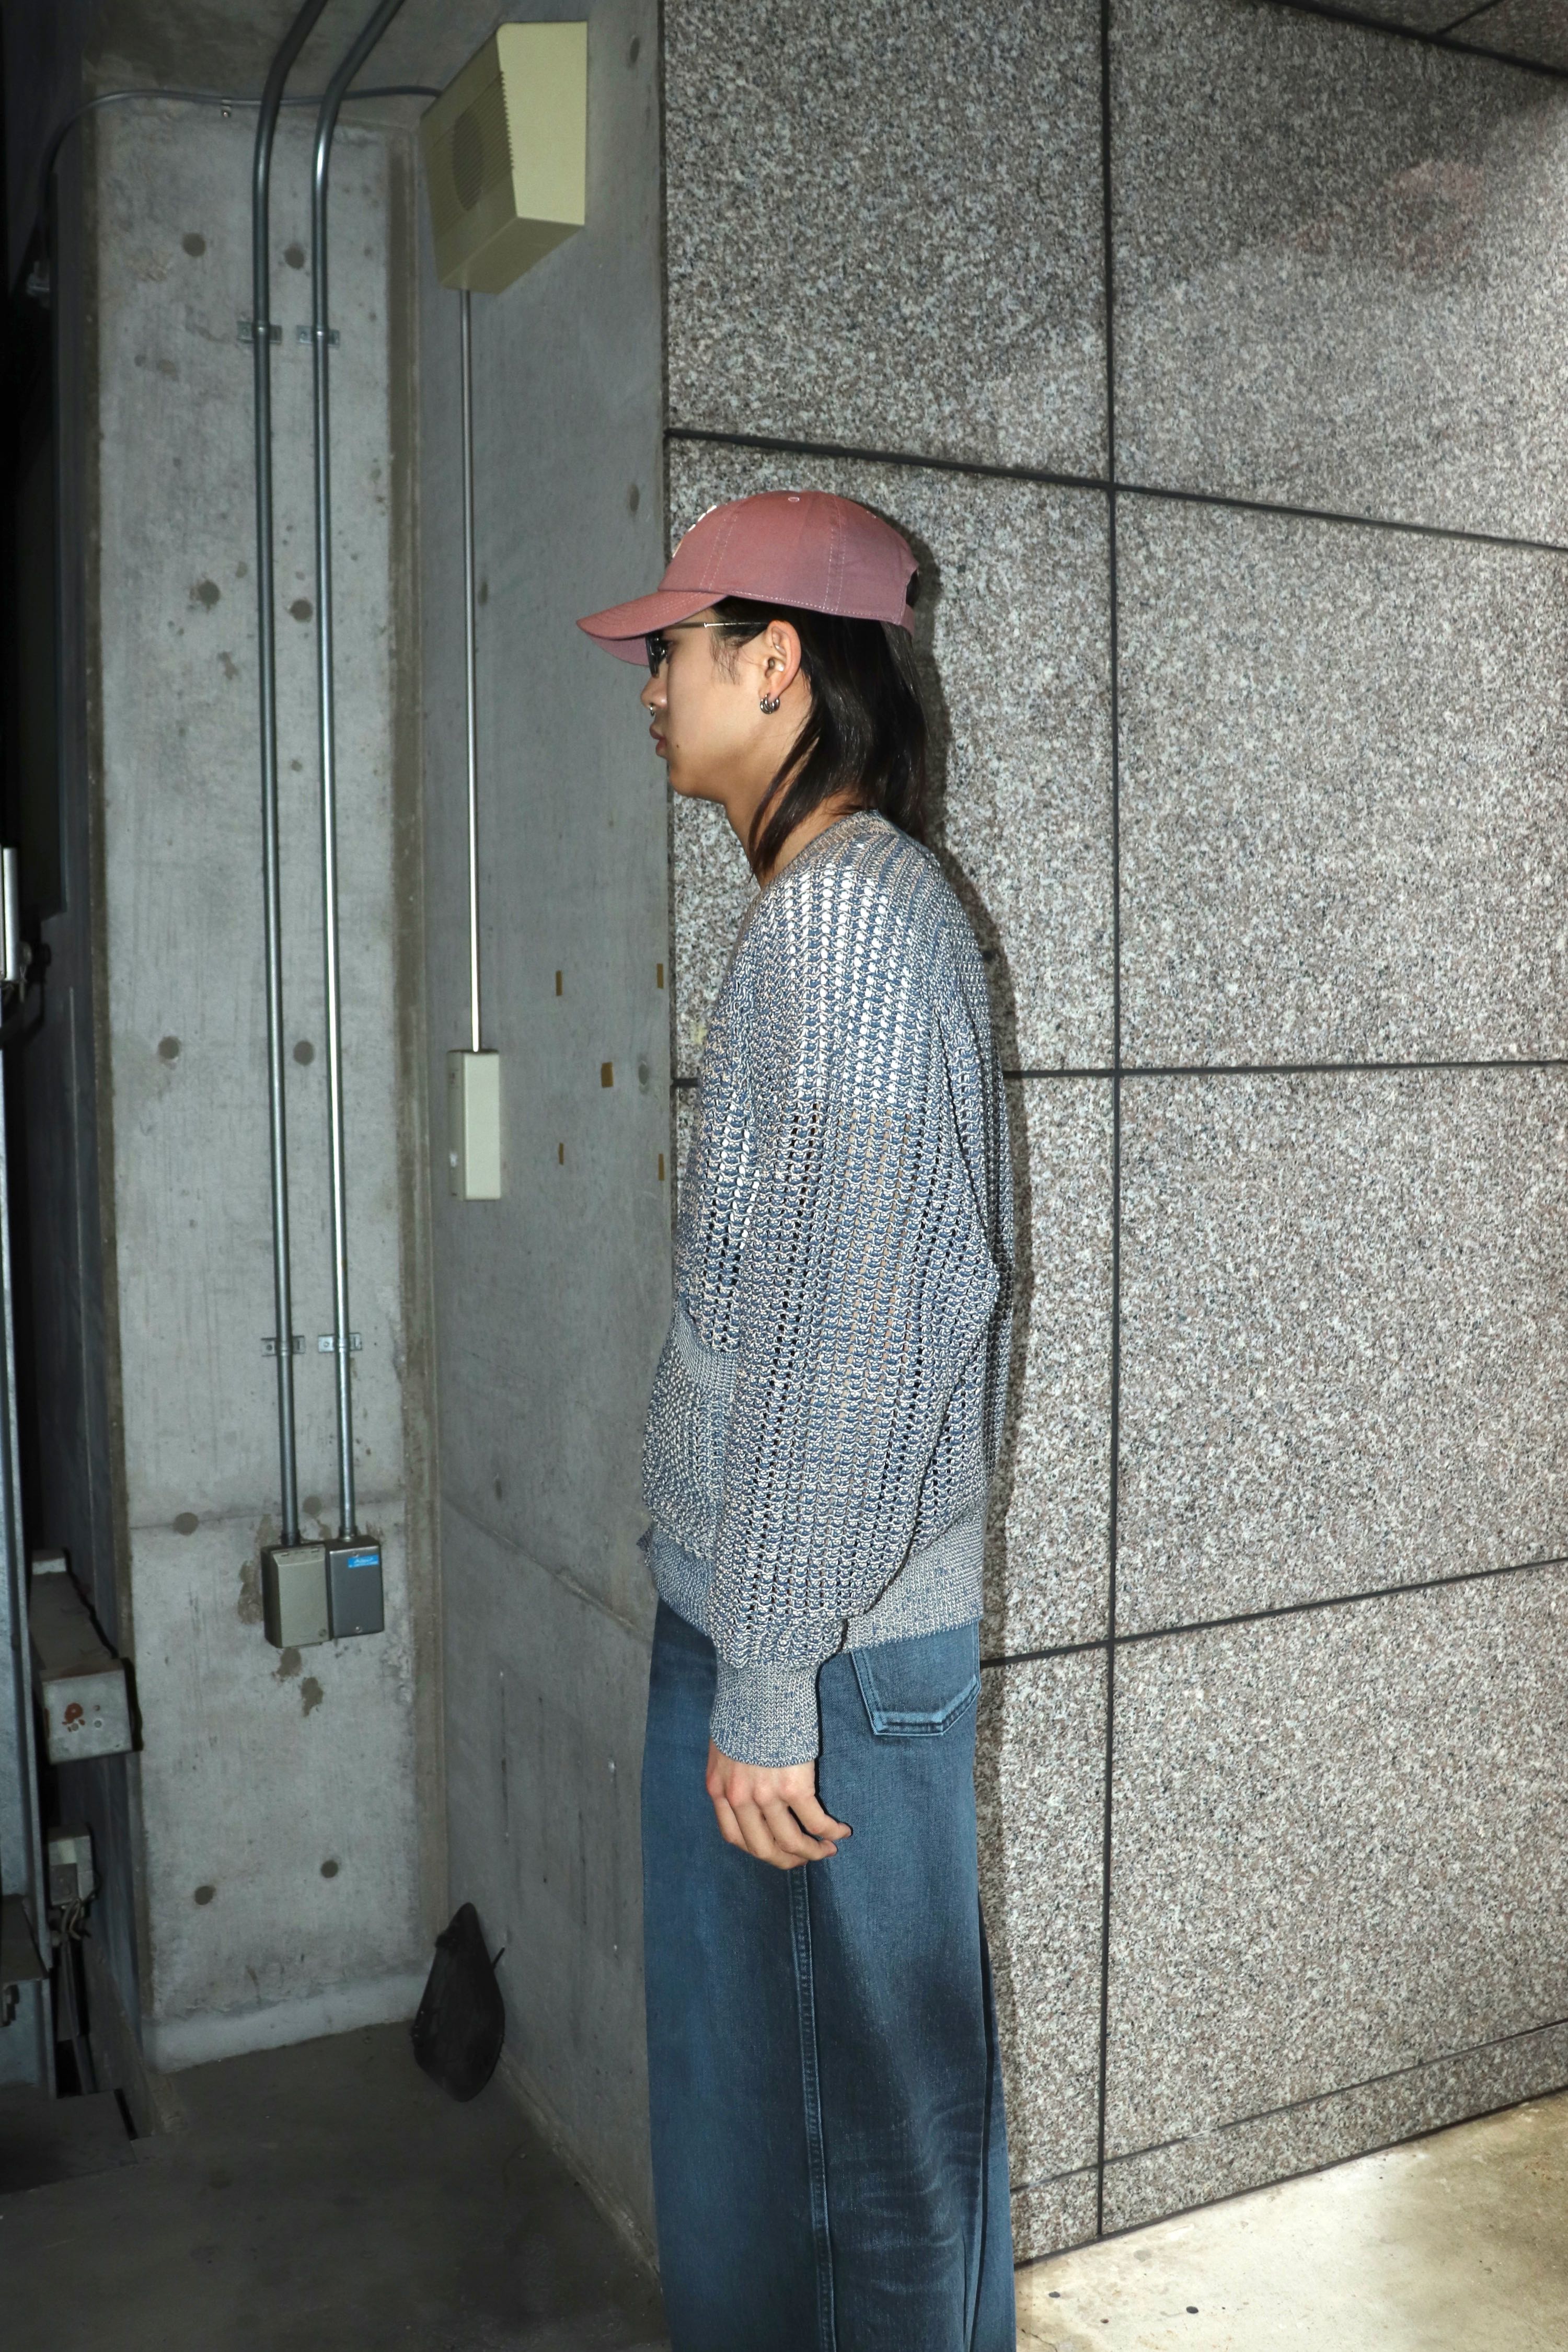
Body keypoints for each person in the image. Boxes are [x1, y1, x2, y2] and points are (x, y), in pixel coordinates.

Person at [578, 489, 1016, 2352]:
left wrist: (765, 1679)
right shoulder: (851, 909)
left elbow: (857, 1330)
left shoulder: (839, 926)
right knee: (846, 2154)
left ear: (778, 664)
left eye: (673, 649)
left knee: (839, 2184)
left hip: (813, 1655)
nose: (648, 686)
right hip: (813, 1630)